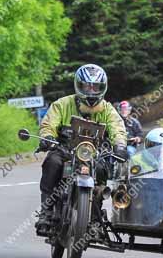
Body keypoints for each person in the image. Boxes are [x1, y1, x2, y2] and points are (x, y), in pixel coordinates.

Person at [36, 64, 127, 233]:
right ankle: (46, 211)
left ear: (103, 88)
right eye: (87, 86)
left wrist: (120, 145)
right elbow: (48, 123)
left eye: (95, 87)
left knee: (101, 171)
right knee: (52, 163)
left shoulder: (107, 109)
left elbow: (118, 128)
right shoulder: (62, 104)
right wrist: (47, 137)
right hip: (64, 151)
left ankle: (94, 217)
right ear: (79, 85)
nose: (91, 91)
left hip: (94, 155)